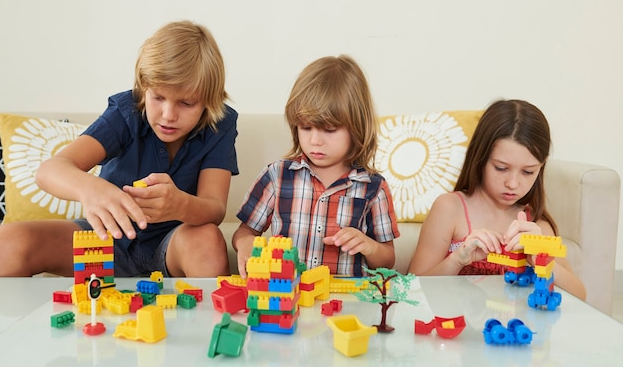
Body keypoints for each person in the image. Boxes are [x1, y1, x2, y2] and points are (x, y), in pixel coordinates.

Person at [0, 20, 238, 278]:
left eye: (186, 103)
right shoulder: (127, 111)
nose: (168, 115)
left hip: (173, 246)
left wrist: (180, 205)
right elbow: (49, 171)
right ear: (143, 87)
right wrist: (89, 188)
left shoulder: (219, 123)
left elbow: (214, 208)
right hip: (104, 240)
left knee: (207, 240)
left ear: (209, 100)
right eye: (158, 97)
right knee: (7, 242)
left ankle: (214, 319)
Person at [232, 55, 400, 278]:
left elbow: (387, 259)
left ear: (357, 127)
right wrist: (245, 244)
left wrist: (369, 246)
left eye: (329, 129)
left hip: (345, 301)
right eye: (306, 127)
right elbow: (245, 231)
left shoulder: (374, 187)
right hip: (287, 296)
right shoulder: (277, 176)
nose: (315, 141)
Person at [407, 99, 586, 300]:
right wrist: (458, 260)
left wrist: (541, 259)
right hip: (456, 326)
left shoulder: (537, 224)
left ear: (541, 168)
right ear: (480, 158)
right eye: (501, 168)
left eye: (528, 172)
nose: (512, 183)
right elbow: (411, 289)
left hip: (515, 328)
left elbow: (580, 295)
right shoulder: (449, 209)